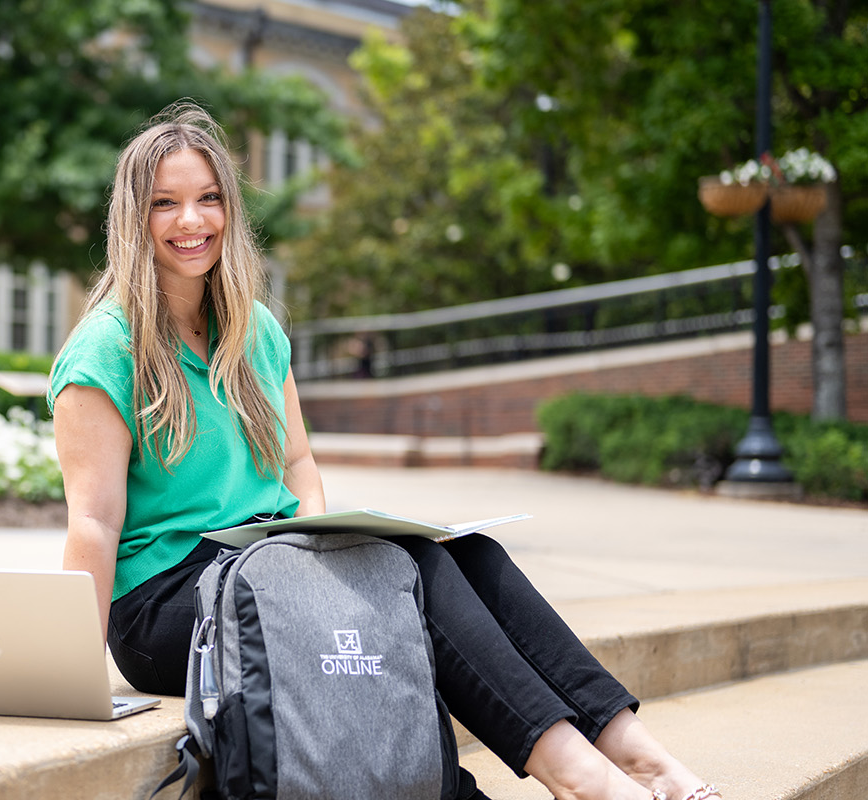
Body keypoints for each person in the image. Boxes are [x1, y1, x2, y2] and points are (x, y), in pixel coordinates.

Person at [47, 102, 721, 800]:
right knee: (413, 566)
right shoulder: (105, 351)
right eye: (166, 204)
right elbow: (92, 523)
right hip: (169, 611)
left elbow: (297, 465)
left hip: (262, 558)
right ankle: (583, 781)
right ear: (134, 219)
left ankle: (638, 756)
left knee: (474, 556)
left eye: (208, 198)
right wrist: (70, 678)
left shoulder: (254, 333)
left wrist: (303, 542)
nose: (192, 221)